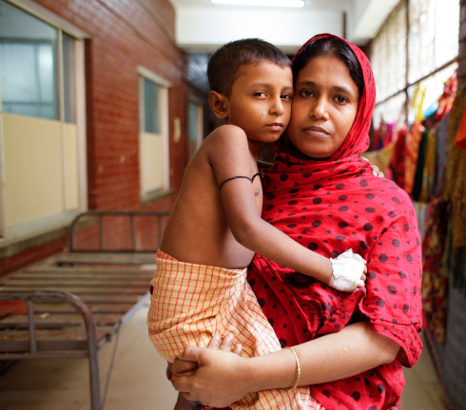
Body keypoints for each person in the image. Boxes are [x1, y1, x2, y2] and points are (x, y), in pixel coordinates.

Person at [171, 33, 423, 410]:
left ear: (361, 110)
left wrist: (246, 375)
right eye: (305, 93)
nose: (320, 110)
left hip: (333, 398)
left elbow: (384, 337)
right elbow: (207, 294)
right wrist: (195, 378)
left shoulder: (388, 206)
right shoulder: (249, 188)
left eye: (340, 98)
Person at [146, 38, 367, 409]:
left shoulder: (254, 157)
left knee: (243, 385)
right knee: (272, 398)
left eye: (287, 96)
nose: (278, 110)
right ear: (220, 104)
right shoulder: (229, 138)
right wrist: (329, 270)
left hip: (226, 297)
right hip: (194, 302)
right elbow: (246, 228)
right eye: (261, 95)